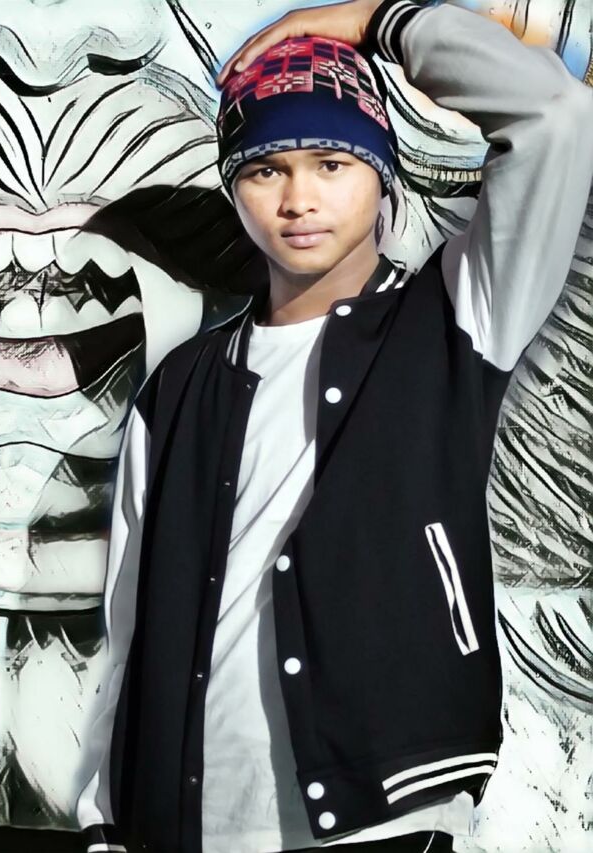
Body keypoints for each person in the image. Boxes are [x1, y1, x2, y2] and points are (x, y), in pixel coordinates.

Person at [75, 1, 593, 852]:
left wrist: (376, 20)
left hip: (379, 815)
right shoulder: (181, 387)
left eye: (331, 162)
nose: (299, 199)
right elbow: (131, 626)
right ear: (233, 188)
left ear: (382, 175)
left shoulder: (454, 319)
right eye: (265, 169)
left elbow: (557, 114)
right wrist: (107, 821)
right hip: (186, 820)